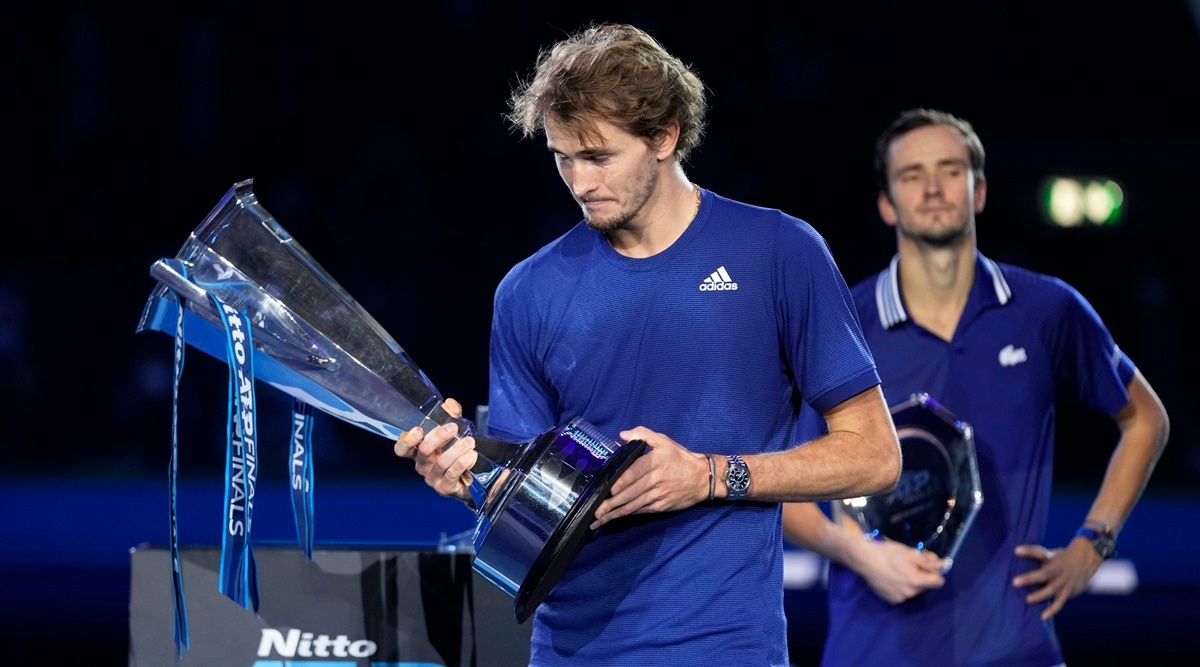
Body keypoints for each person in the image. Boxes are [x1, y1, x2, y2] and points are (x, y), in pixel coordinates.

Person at [393, 23, 902, 666]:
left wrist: (707, 476)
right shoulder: (526, 291)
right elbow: (525, 499)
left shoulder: (780, 252)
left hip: (727, 650)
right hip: (569, 652)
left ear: (665, 136)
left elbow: (875, 457)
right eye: (561, 157)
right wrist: (466, 477)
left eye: (599, 156)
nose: (579, 182)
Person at [781, 108, 1171, 666]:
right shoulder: (845, 319)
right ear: (887, 203)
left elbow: (1146, 419)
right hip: (873, 650)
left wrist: (1093, 546)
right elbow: (787, 485)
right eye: (912, 175)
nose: (933, 188)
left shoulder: (1046, 310)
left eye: (950, 170)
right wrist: (860, 554)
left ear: (979, 190)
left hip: (1017, 651)